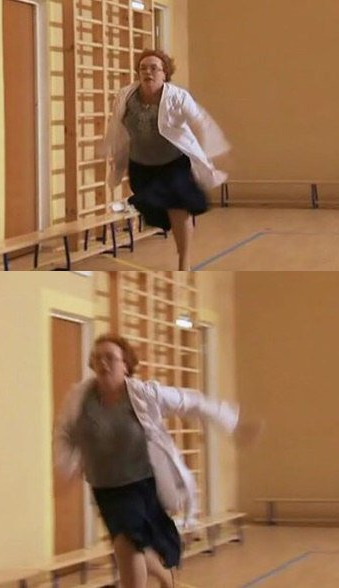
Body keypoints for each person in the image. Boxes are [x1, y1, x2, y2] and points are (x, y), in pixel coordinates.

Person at [54, 333, 241, 588]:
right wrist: (66, 466)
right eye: (97, 358)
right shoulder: (80, 398)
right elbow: (64, 432)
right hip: (104, 489)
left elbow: (192, 403)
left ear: (125, 364)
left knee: (126, 547)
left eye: (110, 357)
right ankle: (166, 578)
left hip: (140, 485)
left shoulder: (143, 394)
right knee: (134, 546)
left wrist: (232, 423)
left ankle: (161, 579)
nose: (103, 363)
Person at [104, 49, 231, 271]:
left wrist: (208, 152)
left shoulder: (177, 97)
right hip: (141, 165)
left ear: (165, 73)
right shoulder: (126, 96)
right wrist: (114, 153)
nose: (148, 72)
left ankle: (184, 262)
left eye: (154, 68)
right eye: (143, 68)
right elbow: (117, 127)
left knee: (178, 208)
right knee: (153, 211)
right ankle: (159, 212)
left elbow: (199, 121)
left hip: (173, 163)